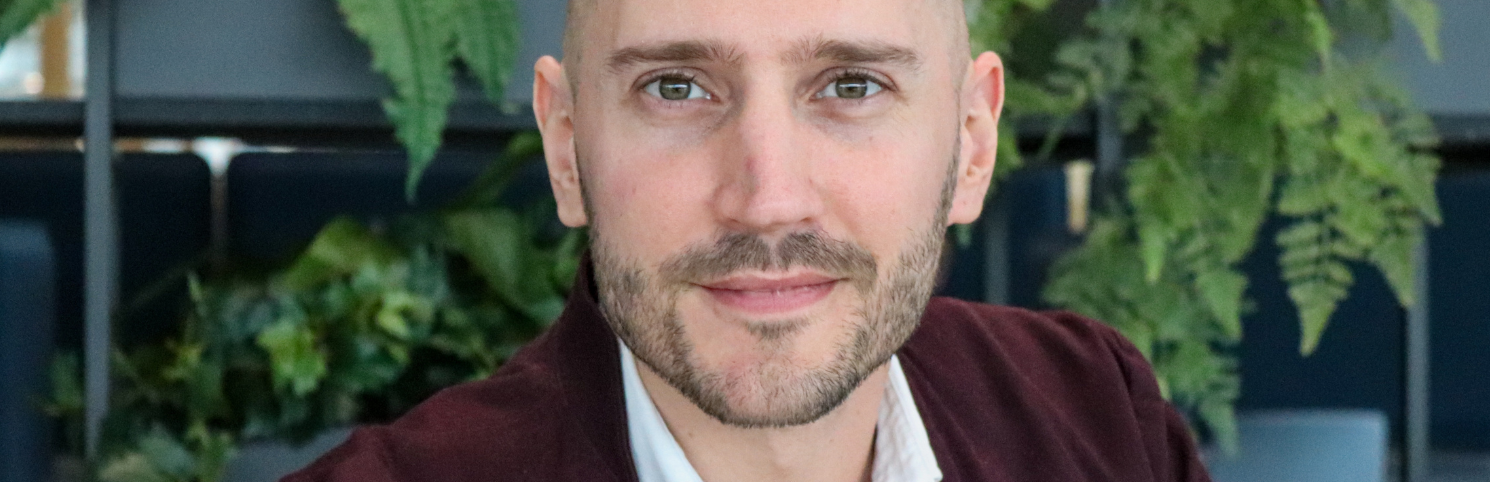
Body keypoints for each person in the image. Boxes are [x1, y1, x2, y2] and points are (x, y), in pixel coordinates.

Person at [285, 0, 1210, 480]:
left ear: (972, 142)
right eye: (676, 88)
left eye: (851, 86)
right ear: (566, 147)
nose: (768, 201)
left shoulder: (1099, 420)